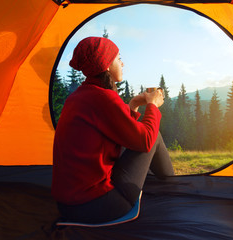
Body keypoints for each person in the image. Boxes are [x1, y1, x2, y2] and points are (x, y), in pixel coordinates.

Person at [51, 36, 174, 224]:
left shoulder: (81, 96)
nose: (123, 63)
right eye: (118, 58)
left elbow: (118, 129)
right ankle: (173, 185)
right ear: (106, 64)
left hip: (68, 204)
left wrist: (133, 104)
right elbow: (145, 141)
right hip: (98, 205)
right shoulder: (103, 98)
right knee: (154, 135)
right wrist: (153, 106)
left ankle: (168, 181)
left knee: (139, 137)